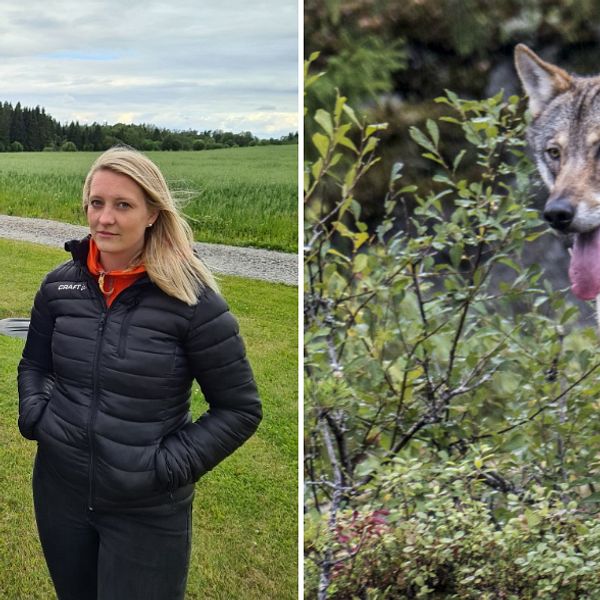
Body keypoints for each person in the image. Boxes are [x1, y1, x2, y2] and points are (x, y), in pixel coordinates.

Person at [17, 147, 262, 600]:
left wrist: (163, 467)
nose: (104, 218)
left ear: (153, 212)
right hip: (60, 494)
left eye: (123, 205)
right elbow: (34, 364)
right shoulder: (59, 286)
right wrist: (36, 416)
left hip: (146, 511)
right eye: (97, 203)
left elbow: (239, 409)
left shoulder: (193, 299)